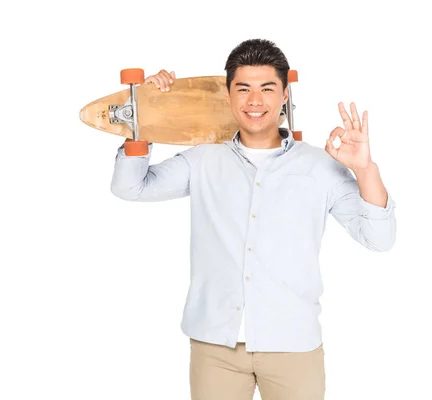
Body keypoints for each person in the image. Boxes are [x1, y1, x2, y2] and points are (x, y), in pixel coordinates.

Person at [110, 38, 396, 400]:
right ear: (228, 95)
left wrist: (365, 169)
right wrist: (148, 113)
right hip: (216, 346)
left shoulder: (319, 166)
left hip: (294, 344)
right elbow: (130, 187)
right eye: (243, 89)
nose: (255, 101)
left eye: (267, 88)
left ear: (285, 95)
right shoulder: (203, 160)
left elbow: (379, 238)